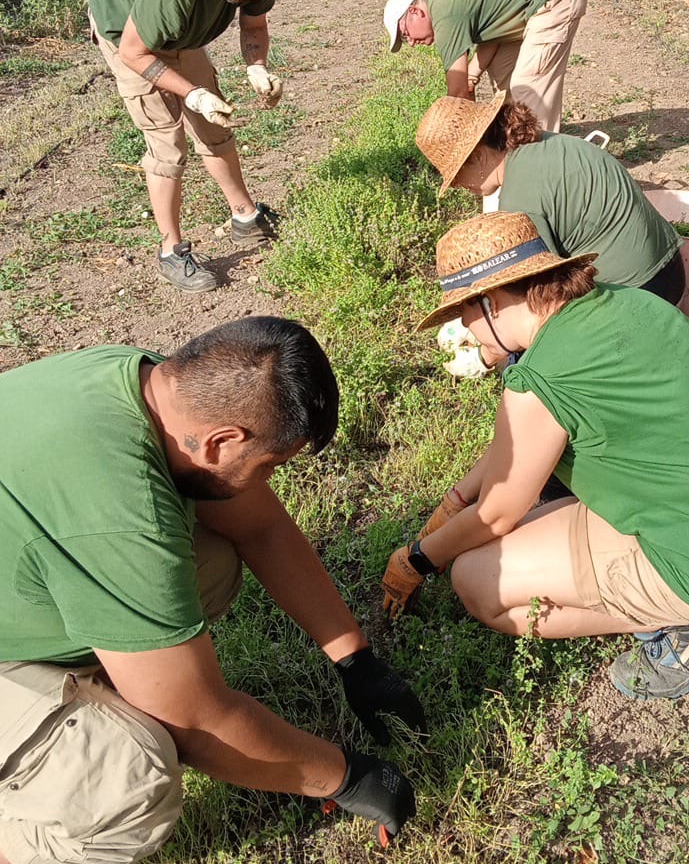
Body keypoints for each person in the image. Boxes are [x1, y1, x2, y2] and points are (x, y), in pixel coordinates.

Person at [0, 317, 422, 864]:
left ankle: (114, 675)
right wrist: (345, 778)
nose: (267, 482)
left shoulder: (152, 388)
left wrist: (354, 660)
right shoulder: (124, 515)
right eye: (269, 466)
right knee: (130, 778)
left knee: (212, 563)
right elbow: (198, 723)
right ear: (225, 440)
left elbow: (260, 528)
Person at [381, 212, 689, 702]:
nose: (466, 329)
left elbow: (498, 513)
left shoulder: (544, 373)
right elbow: (520, 442)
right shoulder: (627, 301)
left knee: (475, 581)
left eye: (462, 314)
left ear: (490, 303)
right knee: (530, 519)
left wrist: (418, 559)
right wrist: (456, 498)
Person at [88, 0, 286, 293]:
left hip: (178, 35)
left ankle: (245, 217)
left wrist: (257, 67)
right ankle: (170, 252)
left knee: (215, 124)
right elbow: (135, 52)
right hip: (128, 35)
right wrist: (192, 93)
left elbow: (255, 26)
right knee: (168, 147)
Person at [415, 92, 685, 330]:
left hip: (636, 296)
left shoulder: (520, 194)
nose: (458, 186)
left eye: (457, 175)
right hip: (672, 270)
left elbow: (535, 295)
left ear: (479, 156)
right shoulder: (549, 143)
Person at [384, 0, 587, 132]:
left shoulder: (444, 14)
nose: (410, 43)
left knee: (526, 86)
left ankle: (540, 159)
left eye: (404, 34)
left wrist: (464, 140)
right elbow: (492, 35)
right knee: (502, 76)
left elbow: (458, 94)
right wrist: (472, 76)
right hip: (531, 8)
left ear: (414, 12)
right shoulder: (441, 1)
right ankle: (516, 139)